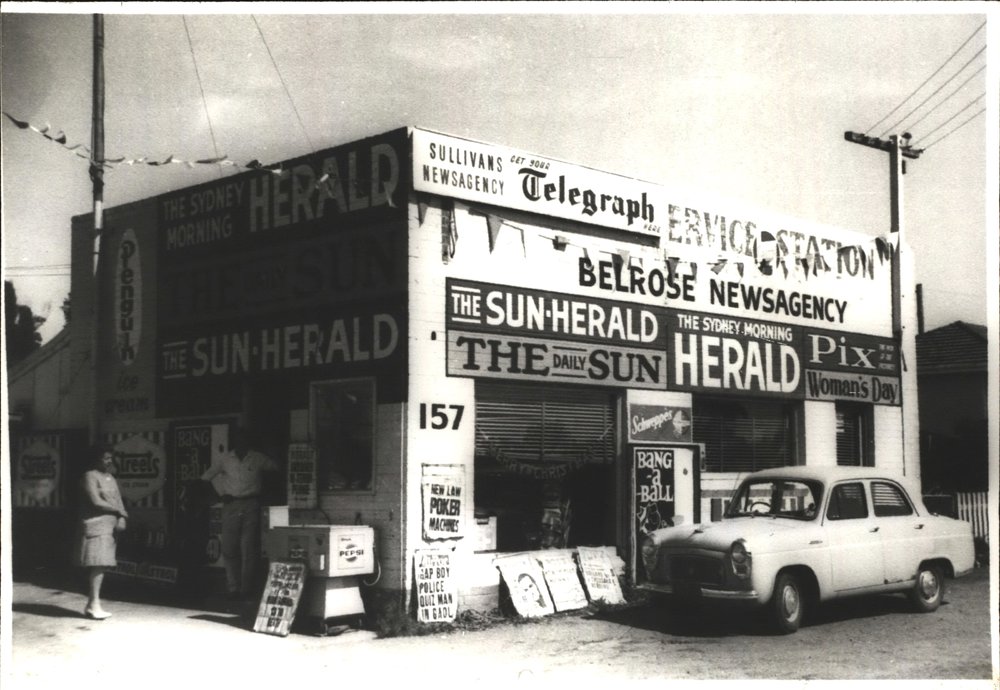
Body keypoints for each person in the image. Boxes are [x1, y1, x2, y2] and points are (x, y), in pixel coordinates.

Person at [200, 427, 277, 600]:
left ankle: (245, 589)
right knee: (229, 547)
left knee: (248, 548)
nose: (241, 441)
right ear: (234, 441)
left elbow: (275, 468)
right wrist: (218, 496)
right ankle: (233, 587)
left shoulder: (257, 458)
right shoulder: (225, 459)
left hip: (251, 504)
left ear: (248, 440)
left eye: (244, 438)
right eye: (238, 438)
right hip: (231, 504)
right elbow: (205, 478)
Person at [76, 446, 128, 620]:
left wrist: (122, 517)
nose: (109, 461)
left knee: (103, 564)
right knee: (98, 564)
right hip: (95, 525)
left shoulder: (110, 478)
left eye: (110, 458)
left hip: (110, 526)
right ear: (96, 459)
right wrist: (118, 511)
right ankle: (93, 604)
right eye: (106, 458)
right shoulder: (89, 476)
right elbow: (96, 501)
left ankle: (93, 604)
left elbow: (119, 500)